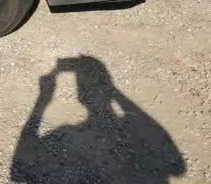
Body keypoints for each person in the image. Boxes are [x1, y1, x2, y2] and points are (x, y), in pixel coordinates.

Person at [11, 55, 185, 184]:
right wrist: (114, 92)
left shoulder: (60, 133)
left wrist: (43, 99)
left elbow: (20, 163)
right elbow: (177, 167)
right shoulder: (136, 131)